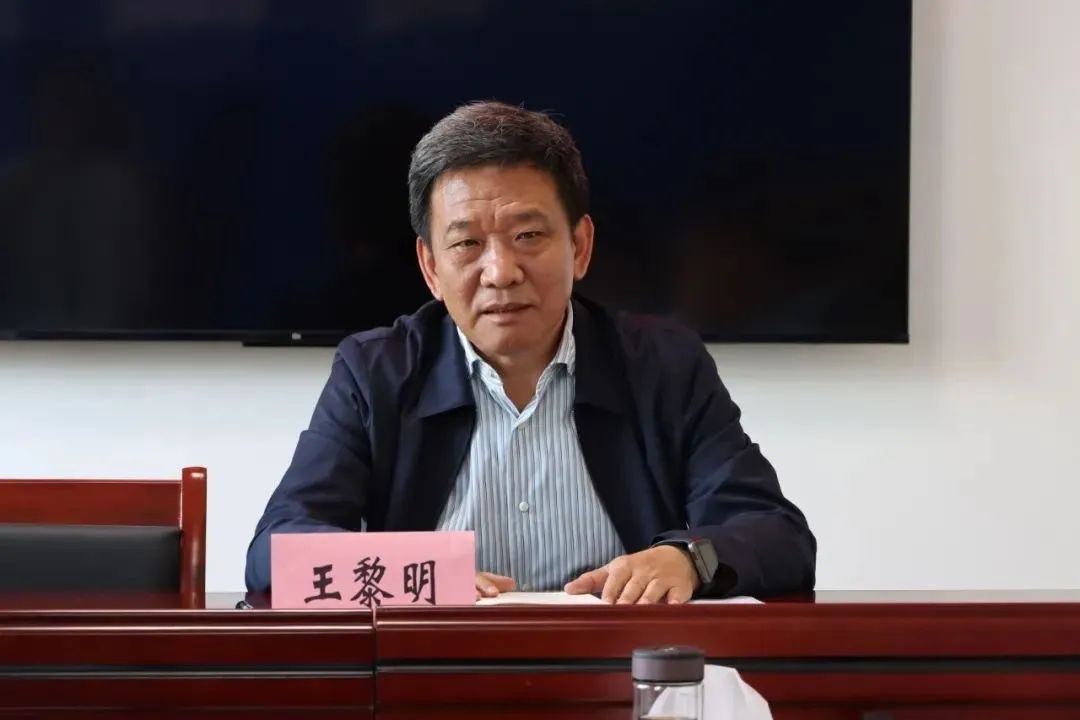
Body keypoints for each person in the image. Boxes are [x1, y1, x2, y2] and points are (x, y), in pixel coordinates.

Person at [245, 101, 815, 603]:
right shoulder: (375, 372)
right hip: (435, 669)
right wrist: (420, 573)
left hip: (622, 667)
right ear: (431, 268)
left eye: (528, 236)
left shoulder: (664, 366)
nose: (501, 271)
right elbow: (277, 548)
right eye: (467, 243)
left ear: (580, 246)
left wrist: (688, 559)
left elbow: (776, 533)